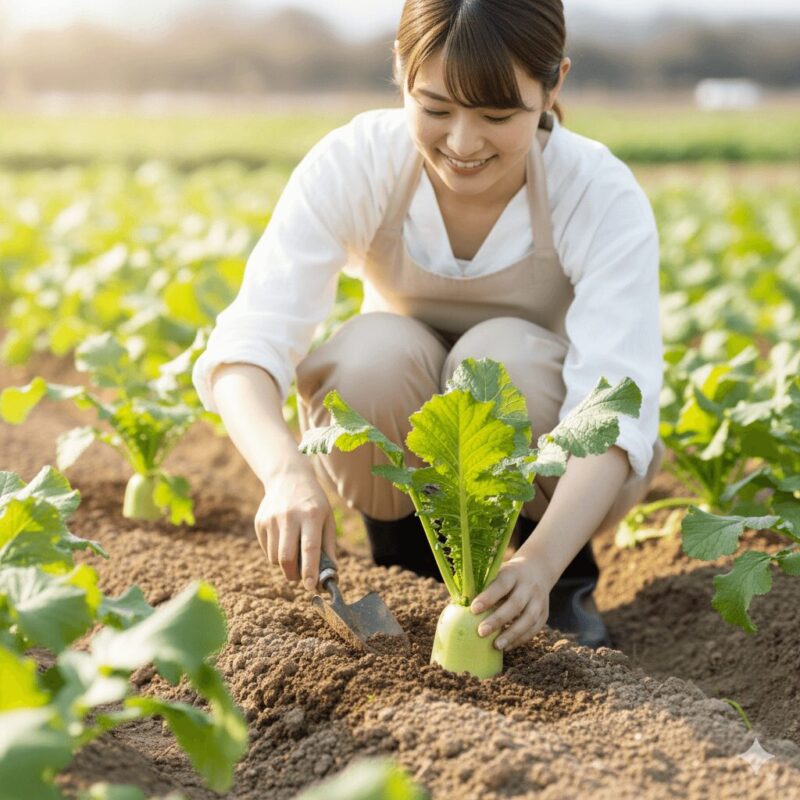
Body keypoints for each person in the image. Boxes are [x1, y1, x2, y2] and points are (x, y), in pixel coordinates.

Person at [192, 0, 664, 652]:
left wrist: (542, 563)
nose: (463, 143)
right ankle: (409, 572)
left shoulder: (597, 191)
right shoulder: (357, 162)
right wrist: (284, 474)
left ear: (553, 85)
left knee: (498, 365)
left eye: (498, 116)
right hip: (400, 390)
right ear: (399, 69)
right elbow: (247, 346)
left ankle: (558, 590)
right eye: (436, 109)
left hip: (545, 451)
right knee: (369, 363)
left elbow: (615, 411)